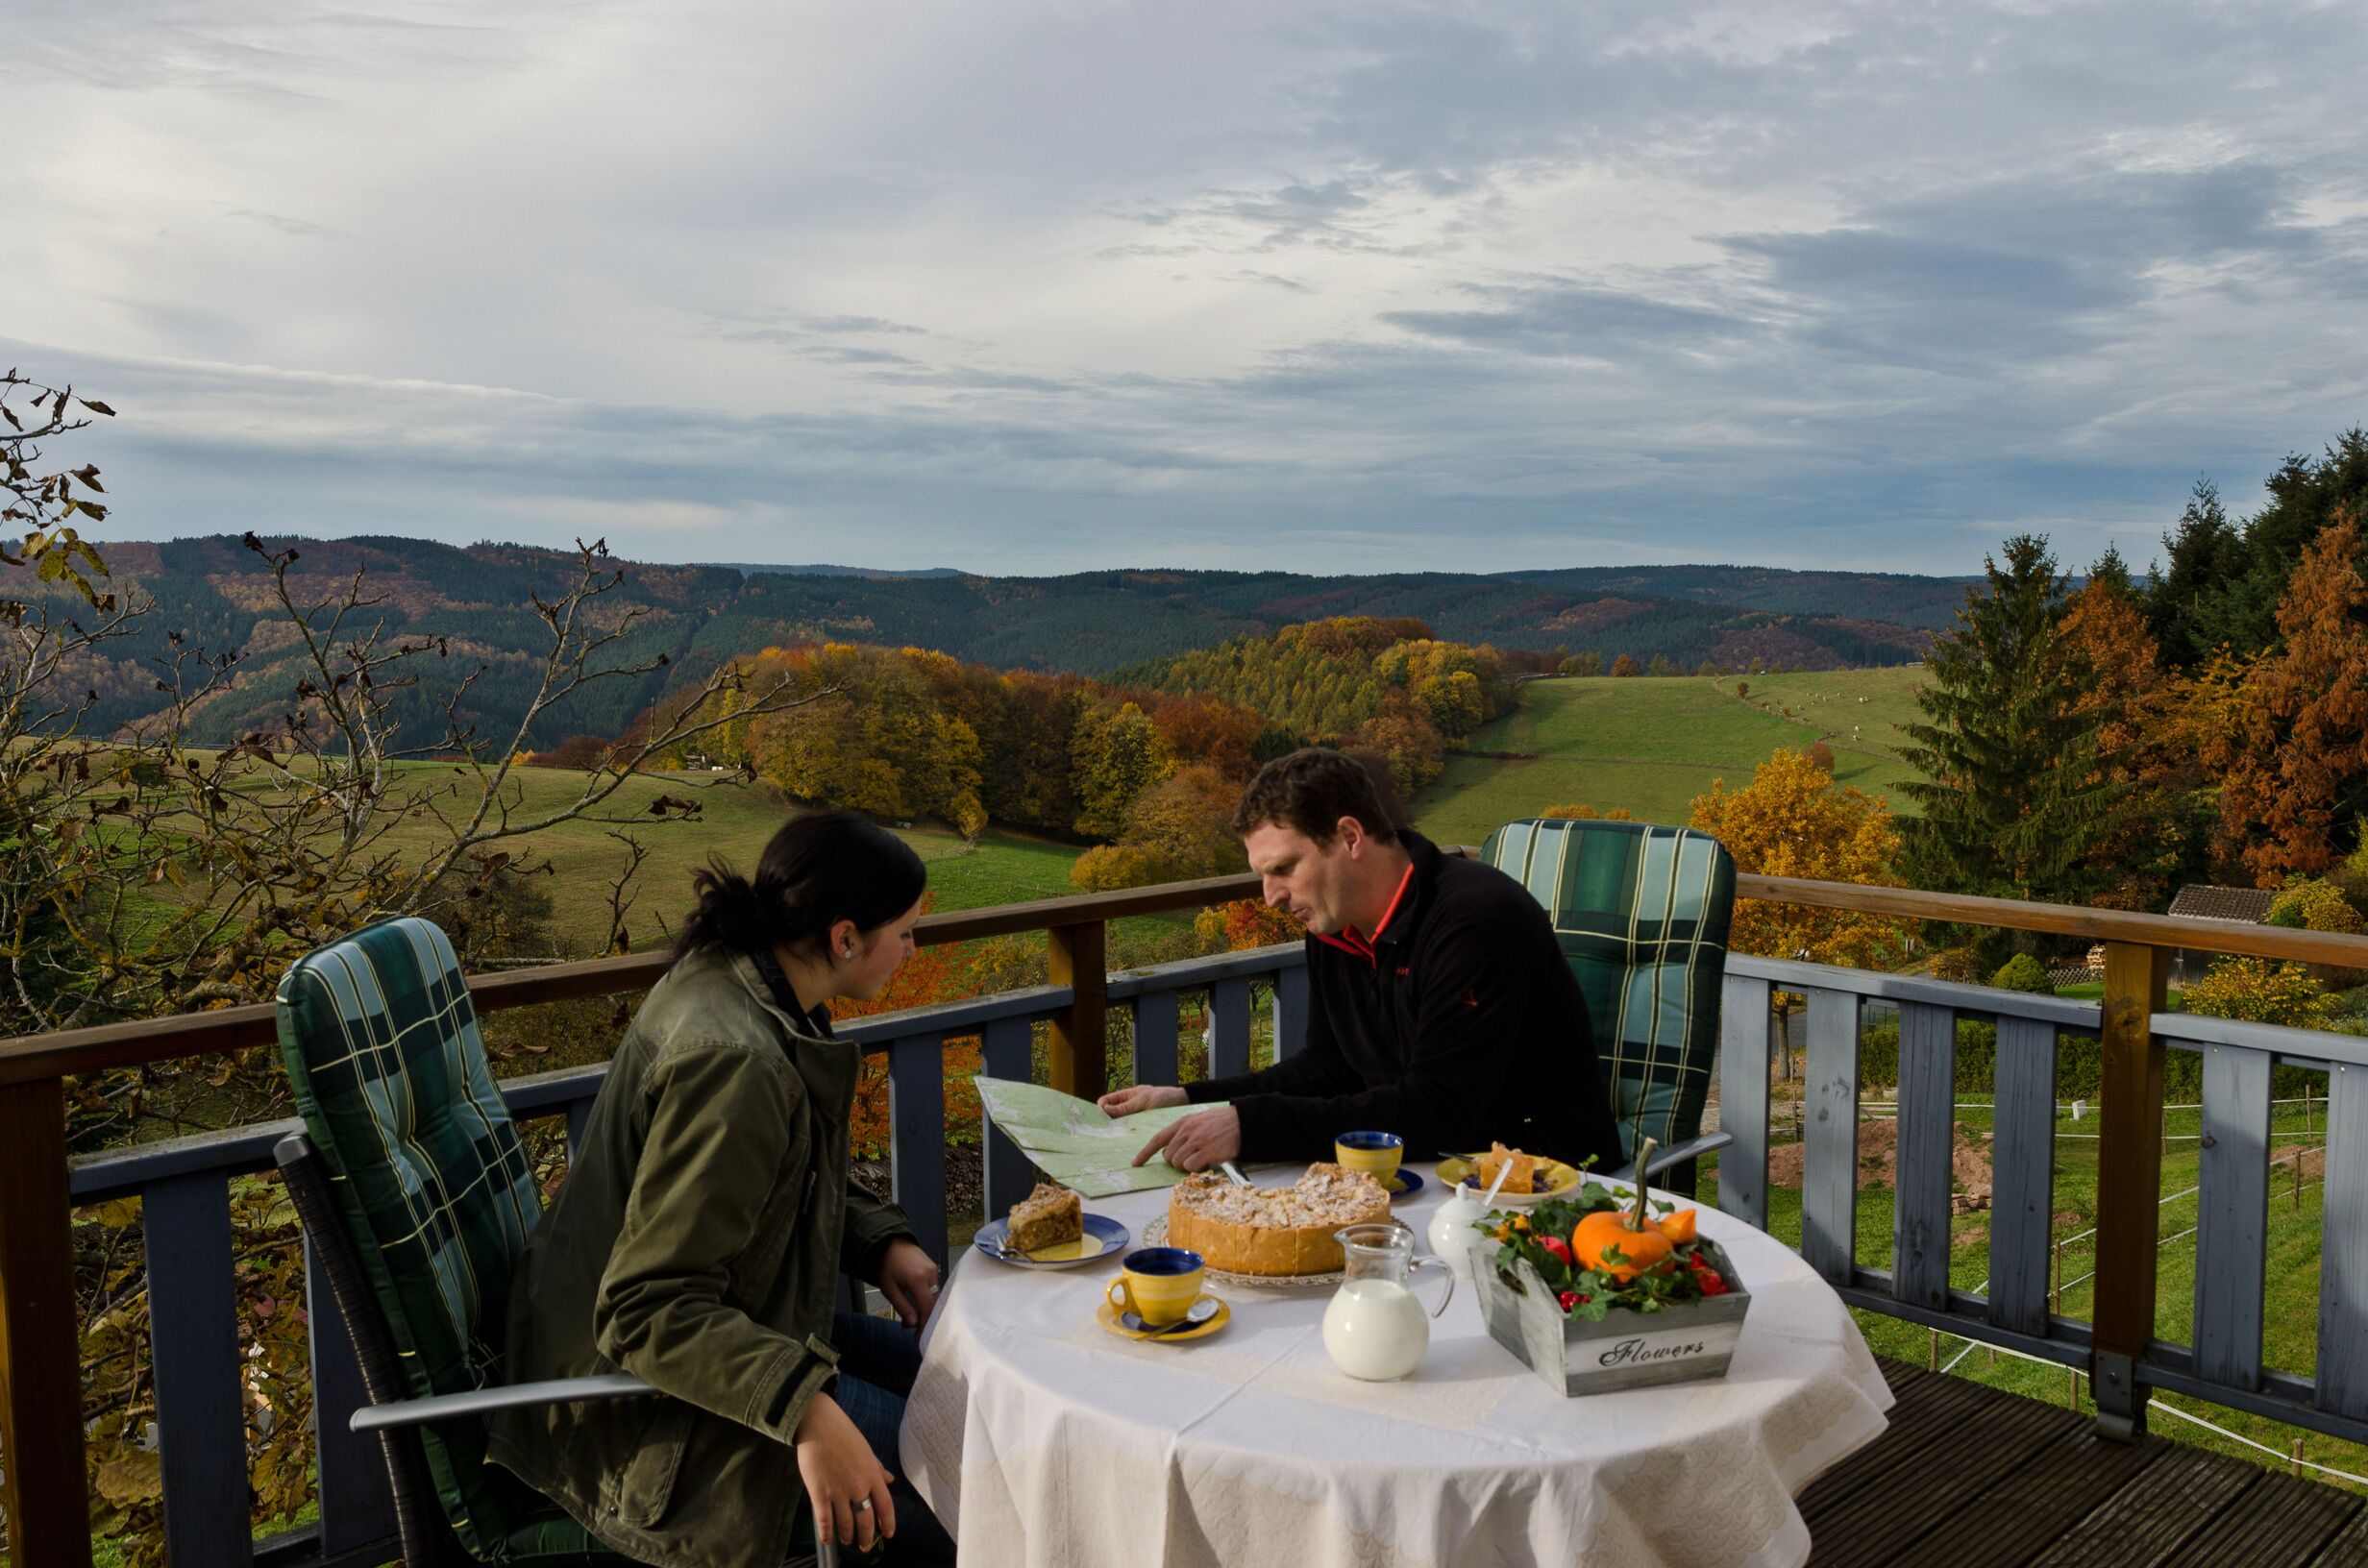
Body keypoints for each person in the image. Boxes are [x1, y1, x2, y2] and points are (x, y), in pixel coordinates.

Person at [489, 809, 954, 1566]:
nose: (914, 946)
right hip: (635, 1421)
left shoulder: (744, 985)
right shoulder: (738, 1061)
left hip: (729, 1339)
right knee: (968, 1478)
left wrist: (878, 1241)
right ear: (843, 938)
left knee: (961, 1391)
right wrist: (805, 1409)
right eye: (904, 930)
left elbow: (762, 1188)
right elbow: (644, 1310)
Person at [1099, 747, 1621, 1176]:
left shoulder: (1476, 921)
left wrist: (1250, 1125)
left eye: (1283, 868)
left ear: (1350, 837)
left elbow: (1440, 1111)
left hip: (1546, 1187)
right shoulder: (1335, 926)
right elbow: (1330, 1069)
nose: (1270, 898)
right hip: (1431, 1175)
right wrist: (1189, 1098)